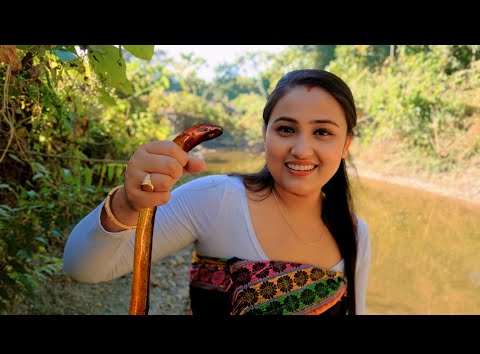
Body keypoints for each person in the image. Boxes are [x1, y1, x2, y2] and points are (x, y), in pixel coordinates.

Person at [63, 69, 371, 315]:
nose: (302, 150)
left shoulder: (356, 233)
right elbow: (84, 268)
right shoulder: (216, 198)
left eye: (323, 132)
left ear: (346, 144)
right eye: (286, 129)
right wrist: (127, 203)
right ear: (265, 136)